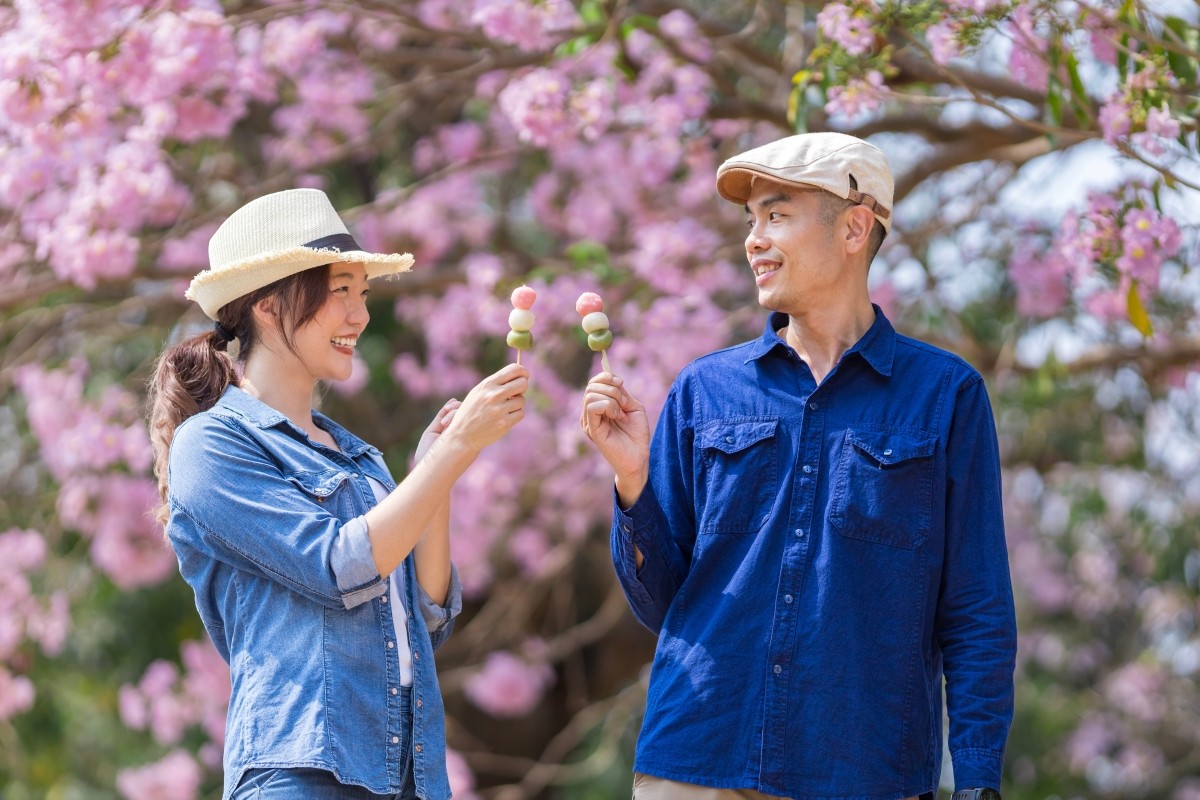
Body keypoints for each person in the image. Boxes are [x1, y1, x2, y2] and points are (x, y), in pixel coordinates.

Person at [581, 132, 1016, 800]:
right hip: (698, 763)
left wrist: (979, 779)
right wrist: (633, 480)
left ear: (853, 228)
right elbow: (661, 604)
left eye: (776, 215)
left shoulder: (945, 396)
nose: (754, 239)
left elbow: (976, 607)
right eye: (751, 220)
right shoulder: (702, 391)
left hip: (863, 772)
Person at [148, 188, 530, 799]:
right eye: (340, 292)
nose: (360, 315)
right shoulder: (211, 445)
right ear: (271, 308)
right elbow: (338, 565)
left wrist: (437, 470)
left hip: (407, 776)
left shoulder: (358, 455)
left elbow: (428, 615)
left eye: (364, 294)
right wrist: (454, 452)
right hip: (301, 772)